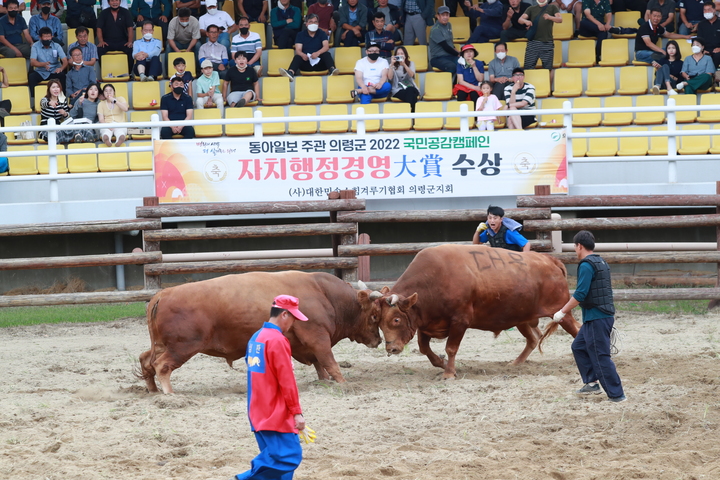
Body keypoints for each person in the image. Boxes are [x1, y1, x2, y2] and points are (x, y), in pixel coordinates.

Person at [228, 295, 308, 480]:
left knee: (278, 469)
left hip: (258, 411)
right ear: (285, 315)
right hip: (276, 413)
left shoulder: (257, 337)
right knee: (288, 457)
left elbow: (255, 367)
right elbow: (287, 381)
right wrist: (296, 412)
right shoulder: (277, 340)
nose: (293, 324)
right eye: (294, 318)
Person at [553, 230, 626, 404]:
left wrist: (562, 312)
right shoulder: (601, 262)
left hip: (596, 317)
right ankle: (592, 383)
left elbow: (580, 294)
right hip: (600, 316)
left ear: (579, 246)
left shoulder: (586, 265)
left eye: (574, 247)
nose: (575, 250)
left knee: (600, 356)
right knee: (578, 346)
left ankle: (617, 395)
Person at [278, 13, 338, 81]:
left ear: (318, 23)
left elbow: (326, 47)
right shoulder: (300, 34)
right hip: (306, 62)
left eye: (315, 22)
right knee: (298, 57)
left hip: (320, 63)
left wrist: (317, 53)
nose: (313, 24)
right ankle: (291, 72)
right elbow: (298, 50)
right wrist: (303, 55)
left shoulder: (322, 33)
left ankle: (332, 69)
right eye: (311, 22)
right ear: (306, 24)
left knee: (327, 54)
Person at [519, 0, 561, 79]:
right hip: (533, 42)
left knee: (548, 69)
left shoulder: (552, 7)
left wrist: (549, 17)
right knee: (528, 68)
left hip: (547, 42)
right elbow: (520, 19)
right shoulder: (531, 8)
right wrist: (525, 21)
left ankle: (548, 89)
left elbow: (560, 19)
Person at [97, 0, 134, 70]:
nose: (115, 3)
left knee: (131, 49)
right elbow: (99, 28)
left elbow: (130, 28)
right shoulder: (103, 13)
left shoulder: (126, 12)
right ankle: (105, 73)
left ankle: (128, 73)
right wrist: (101, 41)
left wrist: (130, 41)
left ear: (120, 2)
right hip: (108, 42)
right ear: (108, 2)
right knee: (99, 50)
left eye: (117, 0)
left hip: (122, 41)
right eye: (112, 1)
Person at [29, 27, 67, 94]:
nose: (47, 39)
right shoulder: (35, 46)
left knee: (62, 75)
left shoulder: (57, 46)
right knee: (32, 77)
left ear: (52, 36)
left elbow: (65, 60)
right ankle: (35, 98)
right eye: (45, 37)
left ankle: (62, 98)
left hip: (54, 71)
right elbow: (32, 62)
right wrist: (43, 64)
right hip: (41, 71)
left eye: (49, 37)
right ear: (40, 37)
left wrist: (61, 68)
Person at [389, 45, 419, 112]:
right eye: (398, 54)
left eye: (402, 54)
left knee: (410, 90)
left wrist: (404, 64)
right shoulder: (392, 65)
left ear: (405, 55)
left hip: (410, 87)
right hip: (398, 90)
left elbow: (412, 75)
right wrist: (391, 65)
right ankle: (412, 112)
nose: (400, 55)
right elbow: (390, 77)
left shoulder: (411, 63)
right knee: (412, 95)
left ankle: (408, 112)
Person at [429, 6, 459, 73]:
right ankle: (451, 83)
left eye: (447, 15)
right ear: (437, 16)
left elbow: (450, 43)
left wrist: (459, 52)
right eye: (443, 15)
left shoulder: (449, 25)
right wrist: (458, 54)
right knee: (452, 66)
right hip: (438, 58)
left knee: (465, 64)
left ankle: (460, 82)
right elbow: (445, 46)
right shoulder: (435, 29)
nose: (445, 17)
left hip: (450, 56)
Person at [696, 1, 720, 68]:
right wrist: (702, 50)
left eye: (709, 10)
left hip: (718, 50)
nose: (706, 12)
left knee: (717, 55)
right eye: (705, 10)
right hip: (706, 49)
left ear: (714, 10)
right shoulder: (701, 24)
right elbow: (699, 40)